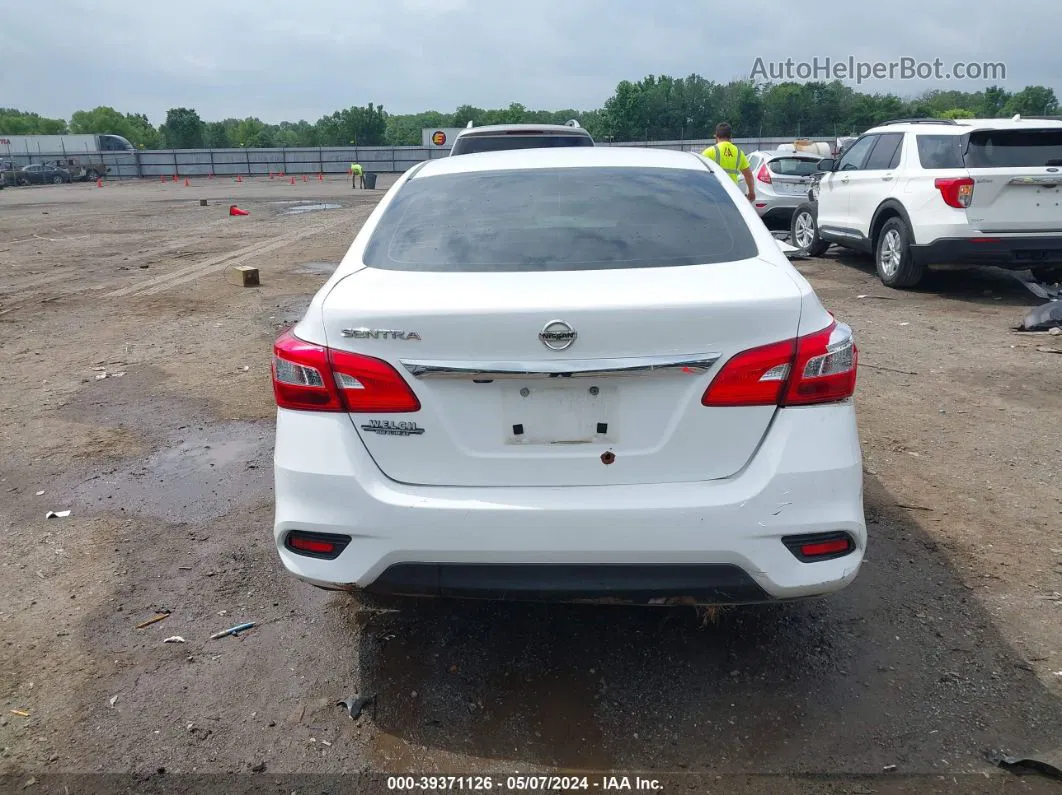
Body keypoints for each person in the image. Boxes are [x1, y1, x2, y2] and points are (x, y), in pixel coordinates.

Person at [702, 123, 755, 202]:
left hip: (715, 195)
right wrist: (751, 192)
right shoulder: (739, 153)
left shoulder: (709, 152)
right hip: (733, 195)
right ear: (730, 137)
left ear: (716, 136)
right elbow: (749, 176)